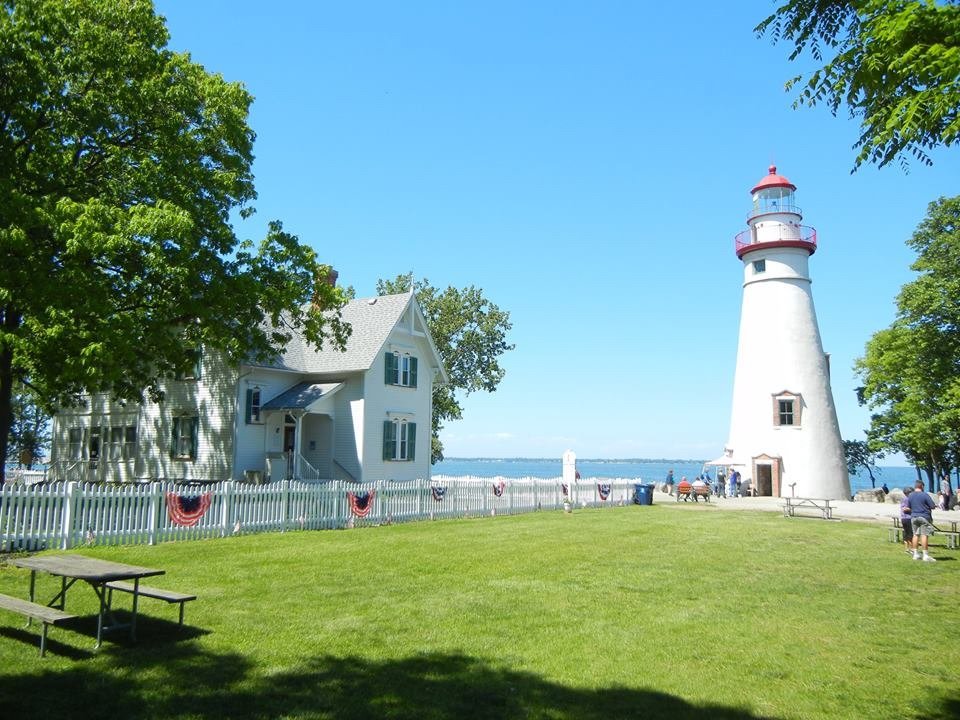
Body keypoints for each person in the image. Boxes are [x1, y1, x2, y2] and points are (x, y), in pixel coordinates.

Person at [906, 480, 937, 562]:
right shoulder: (924, 495)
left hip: (914, 517)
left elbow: (909, 507)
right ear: (922, 486)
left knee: (915, 535)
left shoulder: (910, 495)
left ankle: (915, 554)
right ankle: (925, 555)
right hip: (924, 516)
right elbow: (932, 506)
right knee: (924, 535)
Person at [899, 487, 914, 555]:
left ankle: (907, 549)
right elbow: (905, 509)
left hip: (903, 518)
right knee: (910, 534)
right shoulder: (908, 499)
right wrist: (914, 510)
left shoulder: (903, 499)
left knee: (906, 533)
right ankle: (911, 549)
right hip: (908, 518)